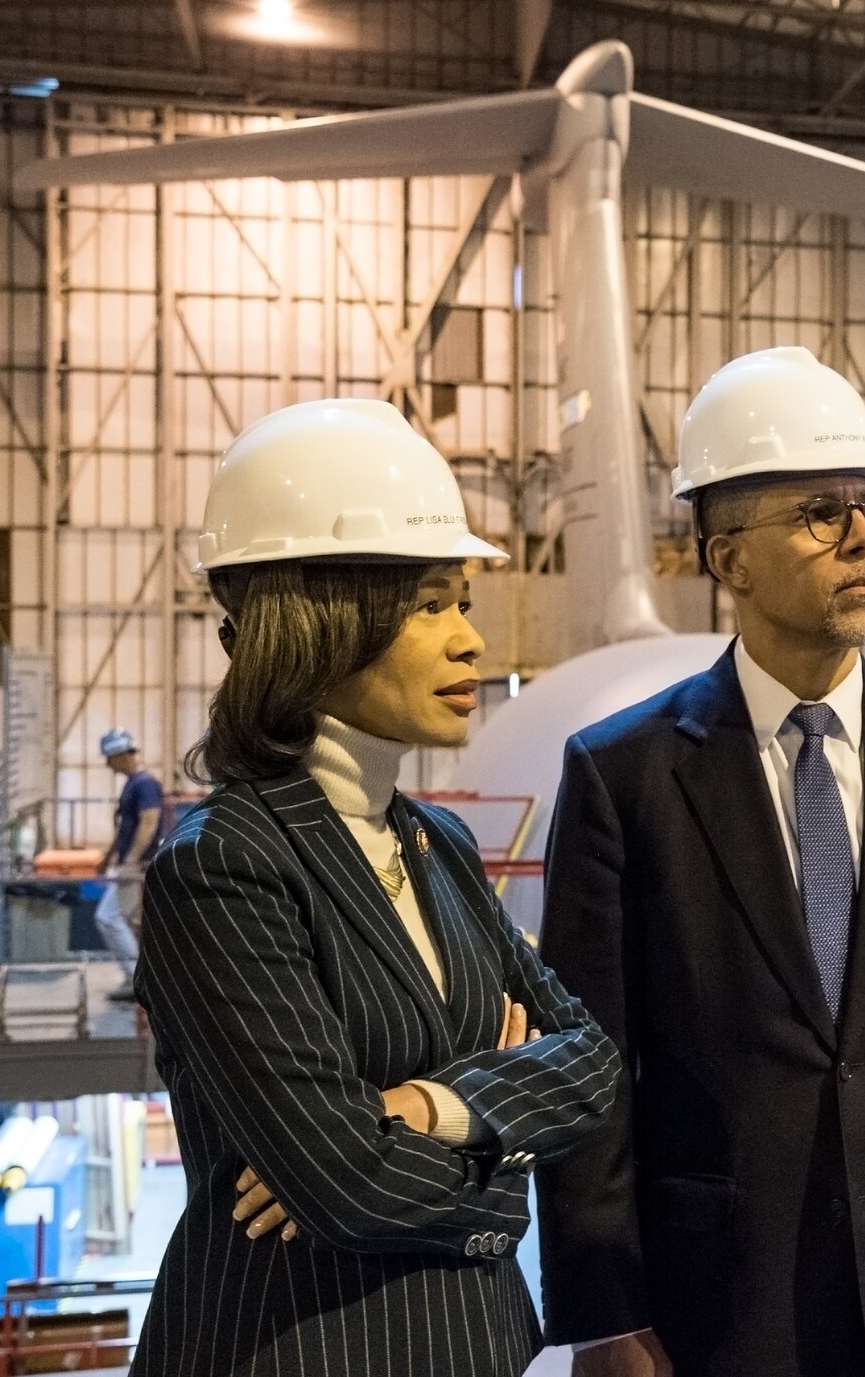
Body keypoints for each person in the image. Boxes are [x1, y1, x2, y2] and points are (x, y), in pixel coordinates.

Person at [536, 346, 865, 1377]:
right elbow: (588, 1065)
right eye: (821, 513)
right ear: (726, 558)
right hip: (714, 1296)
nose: (864, 537)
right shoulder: (626, 775)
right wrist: (603, 1311)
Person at [133, 398, 620, 1376]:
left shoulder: (434, 843)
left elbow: (593, 1066)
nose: (470, 642)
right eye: (428, 605)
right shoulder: (224, 866)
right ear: (318, 624)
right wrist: (505, 1166)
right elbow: (346, 1185)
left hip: (474, 1348)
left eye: (461, 604)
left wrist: (426, 1107)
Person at [94, 728, 163, 1000]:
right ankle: (139, 977)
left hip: (135, 865)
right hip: (129, 863)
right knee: (129, 922)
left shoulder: (145, 784)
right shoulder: (134, 783)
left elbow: (149, 822)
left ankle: (137, 978)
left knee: (109, 918)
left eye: (109, 758)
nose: (107, 764)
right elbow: (126, 825)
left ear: (120, 755)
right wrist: (109, 857)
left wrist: (132, 860)